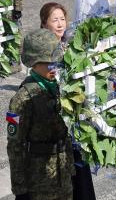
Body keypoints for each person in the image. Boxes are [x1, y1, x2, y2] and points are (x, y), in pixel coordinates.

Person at [7, 29, 74, 200]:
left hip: (64, 173)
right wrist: (20, 188)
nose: (54, 67)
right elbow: (15, 146)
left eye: (56, 62)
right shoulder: (22, 99)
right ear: (34, 63)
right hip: (38, 179)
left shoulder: (64, 87)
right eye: (48, 63)